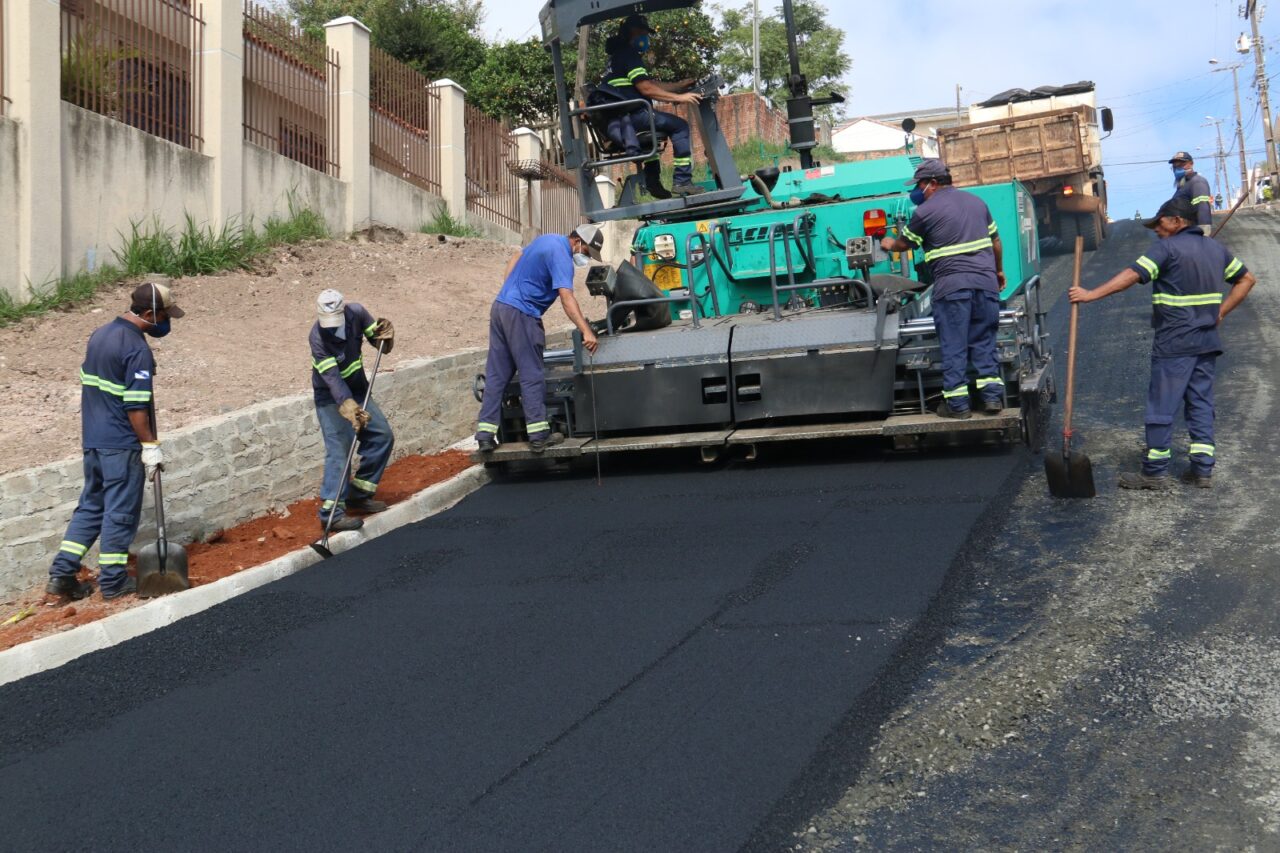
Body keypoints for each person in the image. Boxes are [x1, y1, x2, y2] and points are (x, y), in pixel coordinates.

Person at [1069, 197, 1255, 490]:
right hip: (1206, 342)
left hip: (1175, 342)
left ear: (1178, 221)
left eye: (1160, 222)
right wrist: (1221, 311)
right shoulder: (1215, 249)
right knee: (1201, 403)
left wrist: (1090, 294)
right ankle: (1202, 470)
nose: (1156, 229)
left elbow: (1131, 275)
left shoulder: (1166, 249)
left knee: (1161, 406)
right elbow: (1247, 280)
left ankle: (1155, 472)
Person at [45, 279, 184, 604]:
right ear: (149, 314)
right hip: (120, 443)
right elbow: (135, 407)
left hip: (93, 440)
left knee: (91, 507)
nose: (167, 322)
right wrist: (149, 446)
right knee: (120, 512)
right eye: (165, 315)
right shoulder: (136, 349)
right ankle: (113, 581)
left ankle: (62, 574)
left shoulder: (100, 335)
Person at [880, 158, 1006, 419]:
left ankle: (958, 406)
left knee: (954, 345)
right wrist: (998, 271)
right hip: (985, 284)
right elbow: (996, 242)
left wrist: (888, 243)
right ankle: (992, 398)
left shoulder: (925, 212)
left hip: (952, 288)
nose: (917, 190)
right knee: (984, 340)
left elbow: (904, 244)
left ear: (933, 183)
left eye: (920, 185)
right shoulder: (977, 203)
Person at [475, 225, 603, 453]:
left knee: (496, 375)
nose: (586, 258)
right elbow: (566, 298)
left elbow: (516, 257)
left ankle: (485, 436)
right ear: (578, 242)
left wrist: (510, 291)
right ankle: (538, 436)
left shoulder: (547, 239)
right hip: (523, 314)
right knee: (531, 375)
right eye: (586, 252)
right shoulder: (562, 257)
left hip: (501, 307)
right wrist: (586, 330)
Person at [310, 290, 396, 531]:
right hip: (331, 397)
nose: (330, 327)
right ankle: (331, 514)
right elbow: (332, 378)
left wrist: (386, 337)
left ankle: (359, 494)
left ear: (343, 310)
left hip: (358, 390)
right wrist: (348, 406)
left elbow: (379, 342)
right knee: (340, 449)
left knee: (382, 436)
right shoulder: (317, 337)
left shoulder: (356, 313)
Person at [600, 13, 705, 198]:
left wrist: (678, 86)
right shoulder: (629, 54)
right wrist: (680, 98)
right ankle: (682, 181)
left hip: (625, 117)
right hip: (634, 115)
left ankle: (653, 181)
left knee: (652, 134)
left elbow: (648, 83)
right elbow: (646, 89)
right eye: (643, 33)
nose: (646, 38)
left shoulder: (617, 56)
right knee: (680, 126)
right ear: (633, 31)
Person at [1168, 151, 1213, 227]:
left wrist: (1203, 232)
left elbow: (1202, 209)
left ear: (1191, 164)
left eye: (1182, 165)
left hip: (1192, 232)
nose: (1178, 169)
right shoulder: (1182, 187)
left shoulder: (1197, 182)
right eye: (1175, 167)